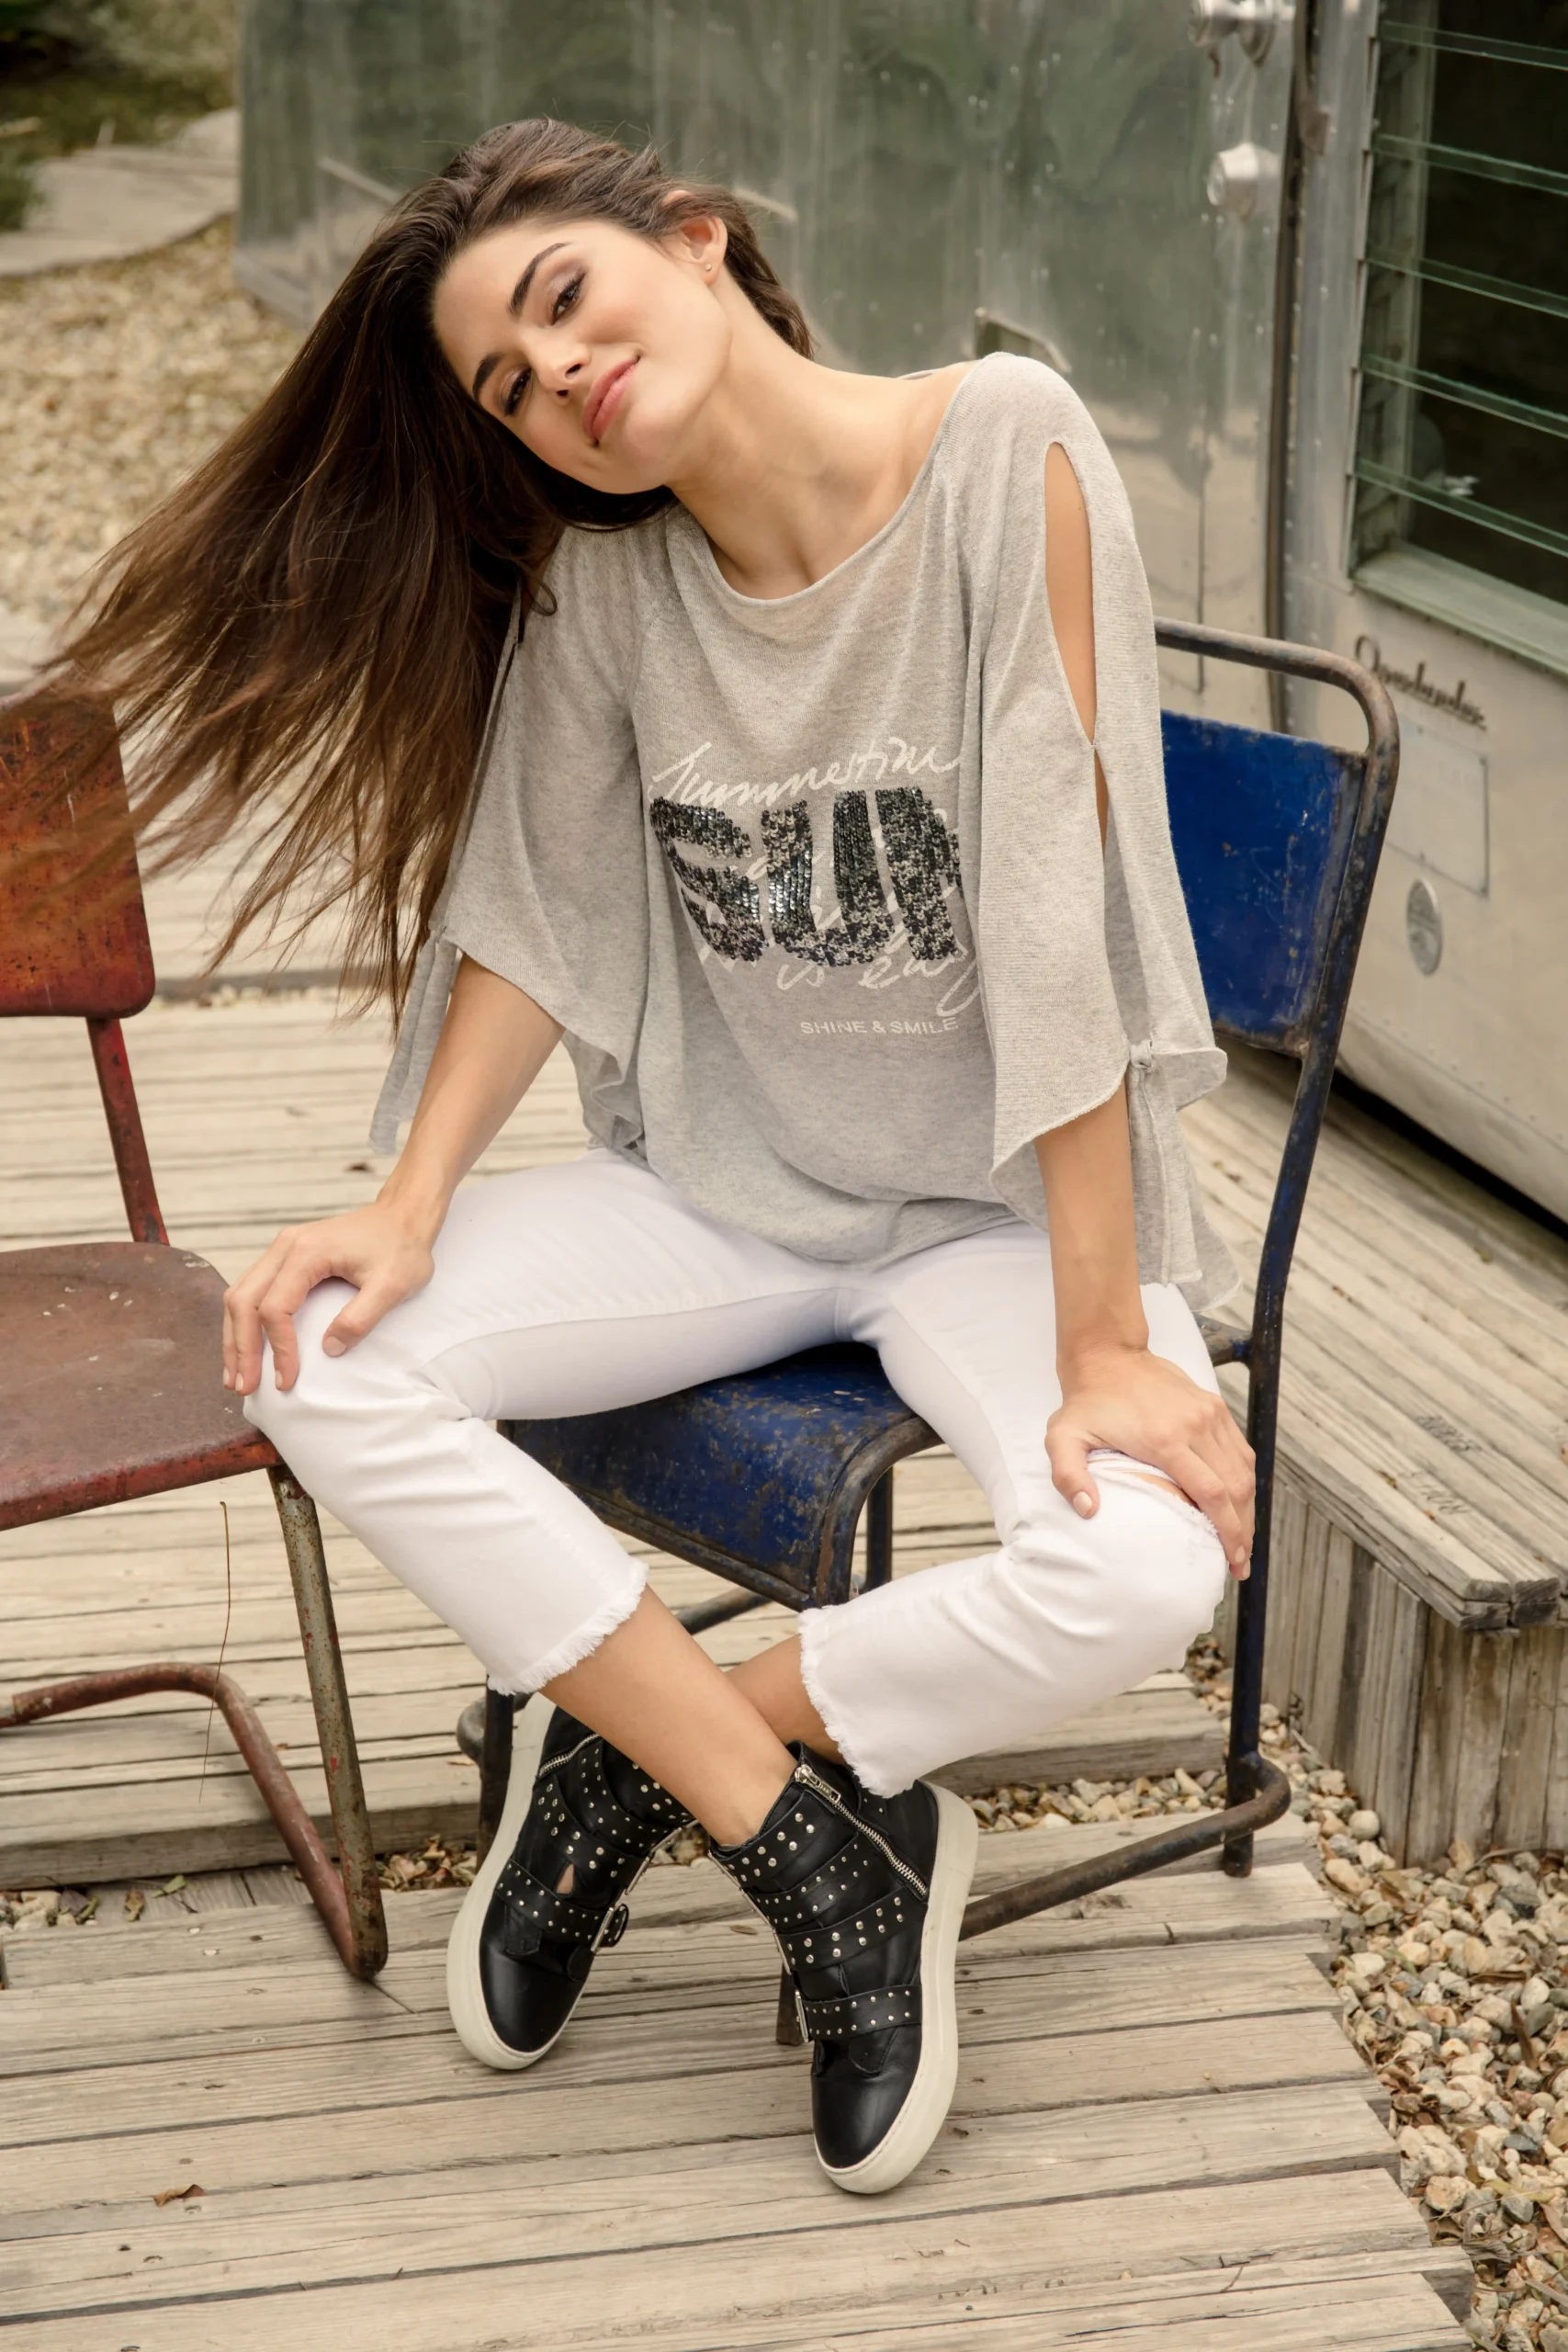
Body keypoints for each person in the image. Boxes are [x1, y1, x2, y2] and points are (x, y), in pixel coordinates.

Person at [58, 119, 1253, 2198]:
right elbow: (526, 907)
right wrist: (407, 1203)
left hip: (999, 1212)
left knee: (1148, 1561)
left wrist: (1098, 1335)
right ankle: (800, 1828)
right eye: (509, 388)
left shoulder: (1002, 442)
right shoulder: (612, 583)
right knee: (316, 1342)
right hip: (724, 1187)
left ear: (690, 238)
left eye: (561, 303)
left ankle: (624, 1749)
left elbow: (1064, 903)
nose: (560, 380)